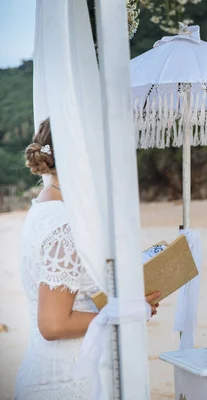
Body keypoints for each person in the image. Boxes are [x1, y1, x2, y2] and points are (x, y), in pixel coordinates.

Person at [14, 119, 160, 399]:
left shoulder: (45, 208)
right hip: (68, 380)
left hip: (60, 370)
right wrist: (124, 312)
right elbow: (53, 324)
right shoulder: (63, 224)